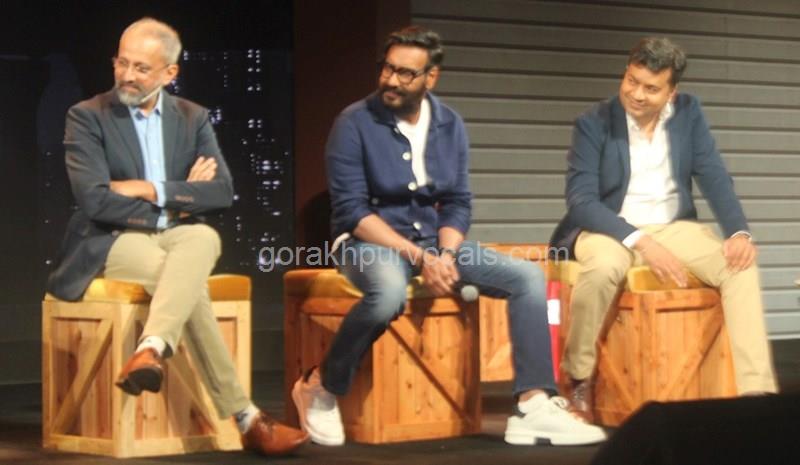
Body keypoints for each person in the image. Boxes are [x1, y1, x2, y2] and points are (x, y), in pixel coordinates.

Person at [291, 26, 605, 447]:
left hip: (432, 245)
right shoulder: (353, 123)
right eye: (387, 68)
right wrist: (423, 259)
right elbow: (353, 213)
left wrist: (446, 254)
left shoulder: (449, 124)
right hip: (367, 244)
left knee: (527, 277)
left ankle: (533, 405)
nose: (391, 80)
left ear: (431, 77)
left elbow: (457, 202)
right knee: (387, 294)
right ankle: (321, 385)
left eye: (406, 73)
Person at [46, 17, 307, 455]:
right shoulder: (88, 116)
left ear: (170, 72)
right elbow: (95, 201)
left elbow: (220, 192)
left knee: (204, 239)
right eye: (122, 63)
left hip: (176, 234)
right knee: (182, 279)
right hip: (111, 239)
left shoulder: (192, 117)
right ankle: (246, 416)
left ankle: (151, 347)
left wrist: (150, 189)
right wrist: (180, 200)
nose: (127, 75)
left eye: (141, 68)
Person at [550, 37, 778, 422]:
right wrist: (641, 240)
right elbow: (582, 202)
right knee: (604, 267)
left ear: (672, 92)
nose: (637, 94)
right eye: (632, 81)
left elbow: (714, 175)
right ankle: (577, 377)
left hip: (673, 227)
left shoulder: (688, 113)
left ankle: (756, 395)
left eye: (651, 88)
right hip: (608, 227)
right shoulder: (594, 122)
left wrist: (739, 232)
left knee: (739, 265)